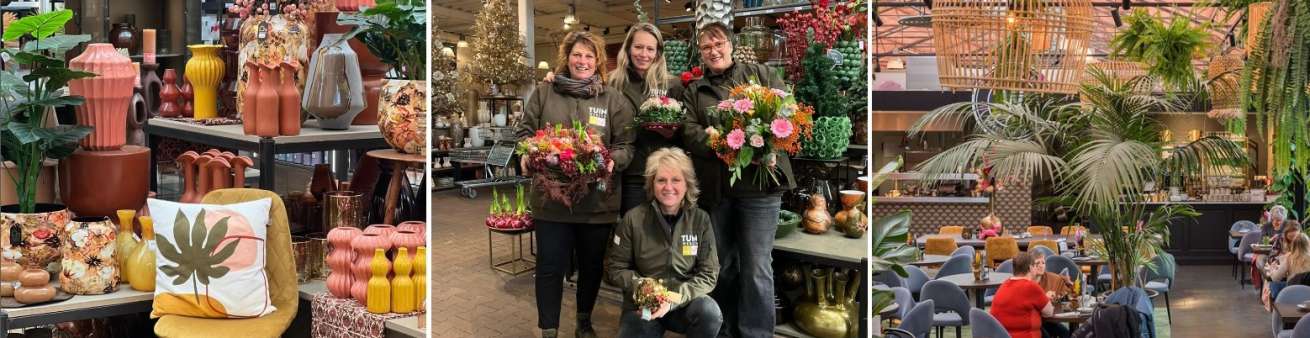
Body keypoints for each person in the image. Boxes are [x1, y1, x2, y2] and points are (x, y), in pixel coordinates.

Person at [516, 30, 635, 338]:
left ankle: (583, 320)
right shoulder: (544, 93)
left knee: (592, 266)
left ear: (598, 62)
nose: (582, 61)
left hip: (596, 202)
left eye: (589, 55)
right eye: (577, 55)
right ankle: (549, 329)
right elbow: (524, 133)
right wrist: (528, 155)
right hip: (550, 200)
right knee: (549, 266)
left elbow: (626, 144)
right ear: (566, 58)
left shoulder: (613, 100)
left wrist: (613, 160)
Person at [679, 21, 793, 338]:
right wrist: (724, 142)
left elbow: (788, 113)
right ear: (700, 53)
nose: (713, 51)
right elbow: (688, 132)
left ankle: (756, 333)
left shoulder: (761, 76)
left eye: (718, 44)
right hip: (717, 191)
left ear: (730, 44)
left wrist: (763, 138)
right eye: (706, 47)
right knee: (721, 266)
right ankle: (724, 330)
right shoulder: (695, 90)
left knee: (757, 268)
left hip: (760, 188)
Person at [607, 148, 722, 338]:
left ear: (687, 184)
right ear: (652, 184)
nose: (668, 187)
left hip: (682, 302)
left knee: (709, 312)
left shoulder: (700, 220)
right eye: (661, 180)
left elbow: (709, 273)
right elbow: (615, 269)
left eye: (676, 180)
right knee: (634, 330)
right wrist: (642, 287)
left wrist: (673, 299)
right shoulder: (633, 219)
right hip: (644, 306)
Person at [990, 252, 1061, 338]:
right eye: (1035, 265)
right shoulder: (1031, 286)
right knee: (1058, 330)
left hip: (1000, 335)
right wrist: (1046, 300)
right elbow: (1049, 313)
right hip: (1025, 335)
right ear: (1030, 268)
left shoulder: (1004, 285)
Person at [1031, 253, 1074, 338]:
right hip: (1033, 321)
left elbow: (1061, 280)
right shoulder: (1026, 280)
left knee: (1065, 333)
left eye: (1043, 263)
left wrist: (1068, 283)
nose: (1041, 266)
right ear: (1030, 266)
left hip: (1047, 319)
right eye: (1037, 263)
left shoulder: (1049, 277)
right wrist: (1044, 298)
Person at [1268, 233, 1310, 300]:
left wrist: (1272, 269)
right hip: (1308, 292)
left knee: (1272, 284)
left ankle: (1278, 305)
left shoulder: (1289, 257)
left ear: (1293, 244)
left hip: (1292, 291)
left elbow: (1275, 278)